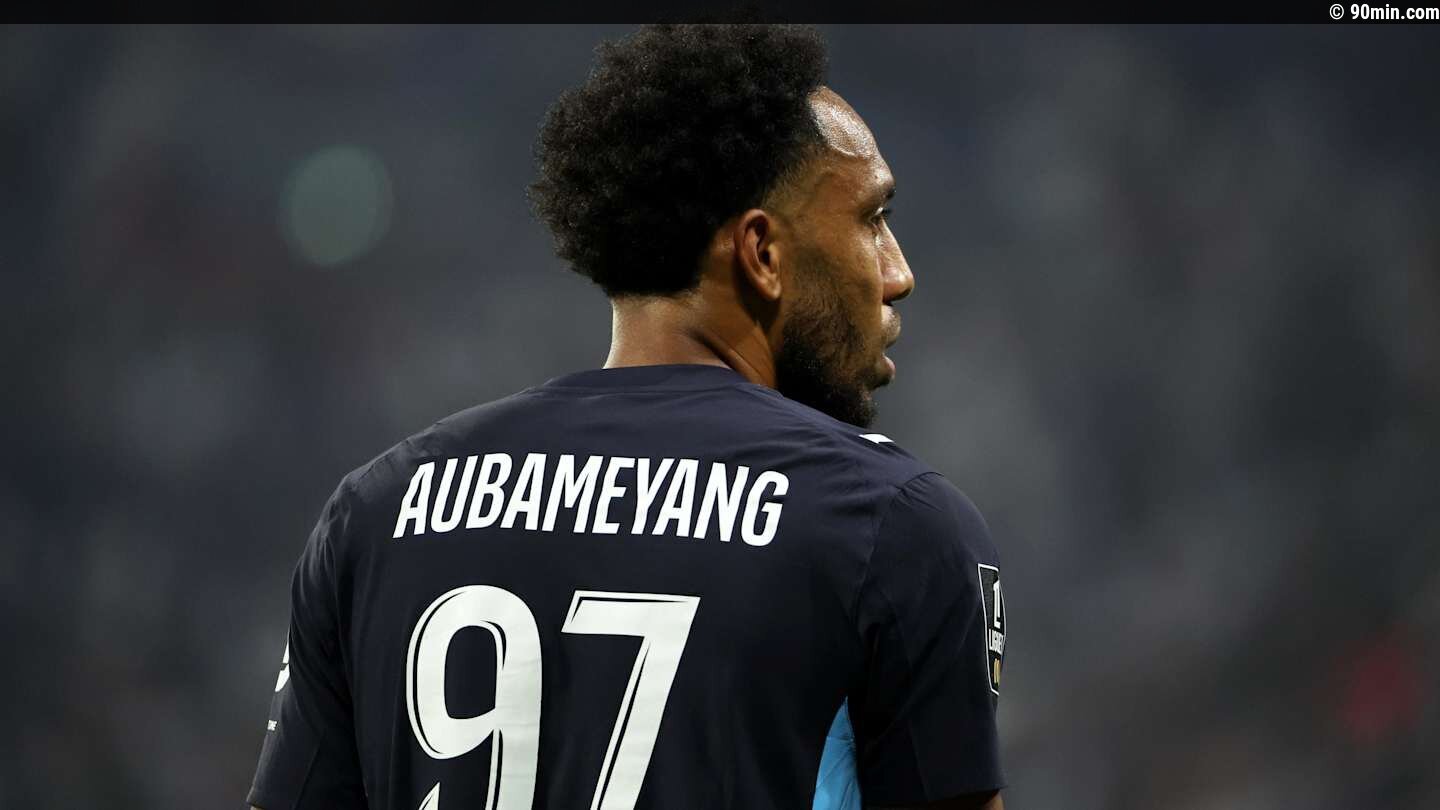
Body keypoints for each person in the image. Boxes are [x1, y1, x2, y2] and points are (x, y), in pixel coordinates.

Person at [247, 23, 1007, 810]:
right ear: (762, 253)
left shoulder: (378, 514)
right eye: (872, 219)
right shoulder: (890, 526)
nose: (898, 273)